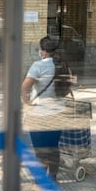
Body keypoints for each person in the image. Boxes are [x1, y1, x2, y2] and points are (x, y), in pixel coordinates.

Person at [21, 36, 65, 181]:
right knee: (53, 147)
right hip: (58, 113)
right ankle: (52, 177)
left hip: (40, 114)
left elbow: (25, 88)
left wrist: (28, 103)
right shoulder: (62, 65)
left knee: (40, 149)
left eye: (40, 49)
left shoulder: (38, 66)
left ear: (44, 51)